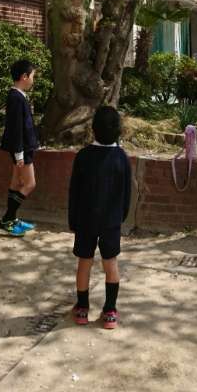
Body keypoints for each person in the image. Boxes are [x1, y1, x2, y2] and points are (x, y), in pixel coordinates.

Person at [68, 105, 131, 329]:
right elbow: (126, 194)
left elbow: (74, 192)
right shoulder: (121, 158)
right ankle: (110, 311)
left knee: (84, 262)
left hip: (85, 220)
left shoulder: (83, 156)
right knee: (110, 263)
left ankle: (82, 308)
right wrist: (120, 217)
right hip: (111, 221)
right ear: (118, 130)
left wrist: (73, 220)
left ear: (93, 129)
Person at [0, 59, 38, 237]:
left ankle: (11, 220)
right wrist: (19, 154)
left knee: (16, 183)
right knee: (29, 184)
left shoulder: (18, 96)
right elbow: (16, 128)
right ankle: (7, 219)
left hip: (22, 148)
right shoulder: (16, 98)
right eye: (32, 76)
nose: (33, 80)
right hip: (22, 149)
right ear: (24, 77)